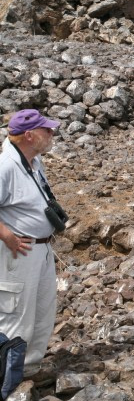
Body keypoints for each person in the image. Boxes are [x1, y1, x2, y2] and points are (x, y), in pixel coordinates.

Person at [0, 109, 63, 366]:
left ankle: (28, 369)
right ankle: (6, 375)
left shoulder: (34, 163)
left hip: (42, 249)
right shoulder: (5, 167)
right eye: (46, 130)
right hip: (19, 251)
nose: (51, 134)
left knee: (42, 310)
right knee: (16, 314)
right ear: (28, 135)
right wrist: (7, 236)